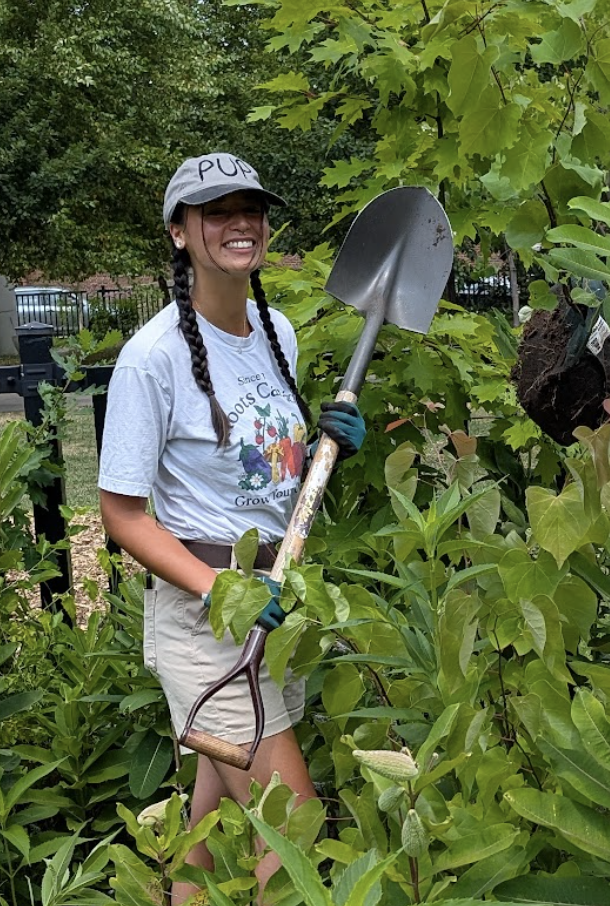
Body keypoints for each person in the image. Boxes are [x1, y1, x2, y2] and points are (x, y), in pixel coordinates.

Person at [98, 152, 366, 903]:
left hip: (274, 601)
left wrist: (324, 449)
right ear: (179, 232)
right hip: (206, 618)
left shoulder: (277, 330)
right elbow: (120, 514)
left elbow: (264, 471)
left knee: (210, 834)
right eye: (215, 212)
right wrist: (219, 588)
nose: (239, 223)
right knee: (293, 833)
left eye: (250, 208)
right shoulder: (151, 359)